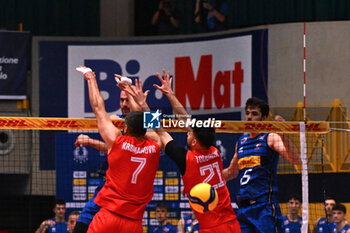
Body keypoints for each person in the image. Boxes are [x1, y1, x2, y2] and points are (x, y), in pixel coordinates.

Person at [122, 70, 241, 233]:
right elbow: (186, 120)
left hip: (211, 228)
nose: (187, 131)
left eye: (190, 132)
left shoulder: (187, 160)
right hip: (232, 223)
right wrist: (170, 94)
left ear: (194, 141)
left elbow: (161, 131)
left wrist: (143, 104)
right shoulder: (214, 152)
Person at [76, 66, 161, 233]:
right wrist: (136, 96)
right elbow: (154, 125)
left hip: (109, 217)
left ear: (126, 129)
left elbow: (98, 108)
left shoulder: (117, 141)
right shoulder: (155, 145)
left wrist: (91, 78)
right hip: (134, 223)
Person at [222, 97, 300, 233]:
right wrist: (203, 180)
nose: (249, 117)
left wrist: (283, 133)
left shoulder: (270, 137)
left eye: (254, 114)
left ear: (263, 118)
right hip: (244, 210)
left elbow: (296, 159)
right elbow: (231, 172)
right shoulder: (241, 142)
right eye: (247, 113)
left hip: (264, 208)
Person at [73, 90, 131, 233]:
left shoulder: (145, 122)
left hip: (129, 189)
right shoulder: (115, 119)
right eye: (121, 100)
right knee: (86, 217)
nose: (124, 104)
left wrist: (90, 141)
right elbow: (114, 148)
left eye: (128, 100)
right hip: (109, 182)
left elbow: (120, 150)